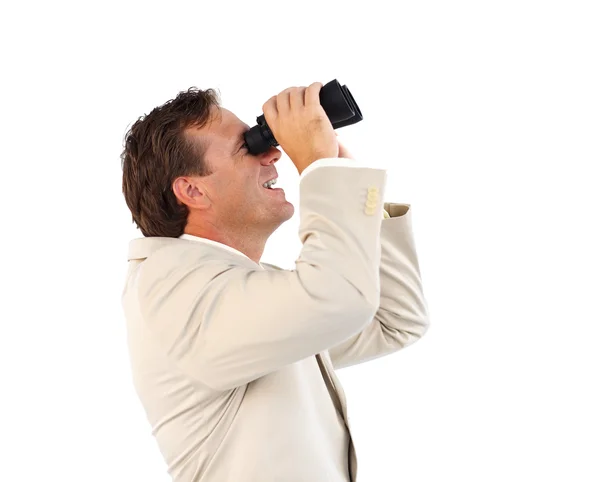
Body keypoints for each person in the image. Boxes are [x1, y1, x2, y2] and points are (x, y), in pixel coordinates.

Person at [120, 82, 429, 482]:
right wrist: (323, 171)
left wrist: (344, 177)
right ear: (193, 190)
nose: (273, 153)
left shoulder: (242, 295)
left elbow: (393, 320)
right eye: (247, 145)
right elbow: (339, 298)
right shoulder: (171, 287)